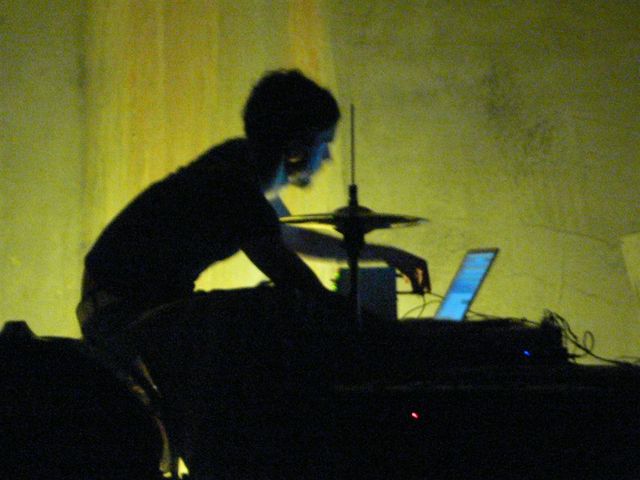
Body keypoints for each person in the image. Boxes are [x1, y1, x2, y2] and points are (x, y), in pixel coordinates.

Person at [77, 68, 428, 352]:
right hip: (127, 318)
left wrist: (386, 255)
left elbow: (288, 237)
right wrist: (383, 333)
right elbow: (296, 279)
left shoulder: (236, 162)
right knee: (273, 313)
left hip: (118, 310)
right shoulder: (235, 186)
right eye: (323, 144)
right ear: (296, 148)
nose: (328, 158)